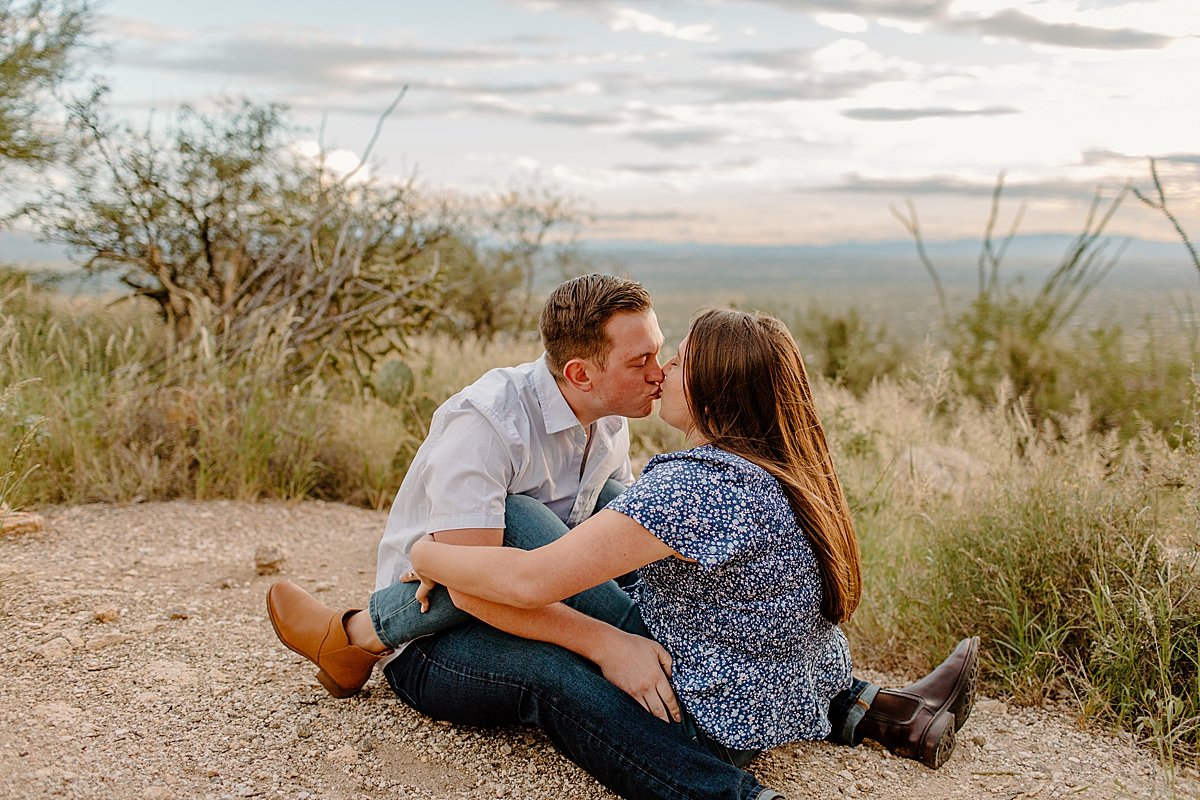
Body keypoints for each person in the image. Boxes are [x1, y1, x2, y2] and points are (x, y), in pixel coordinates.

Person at [266, 278, 979, 800]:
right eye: (644, 360)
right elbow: (498, 585)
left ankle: (352, 630)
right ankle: (358, 636)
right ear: (583, 374)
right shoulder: (489, 423)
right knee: (528, 575)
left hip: (546, 604)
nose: (659, 371)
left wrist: (442, 558)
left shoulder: (637, 440)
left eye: (669, 357)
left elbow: (540, 572)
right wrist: (604, 637)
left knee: (541, 558)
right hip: (439, 640)